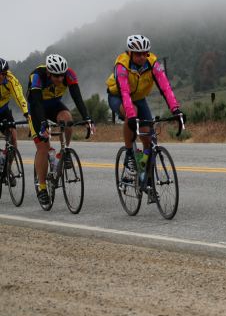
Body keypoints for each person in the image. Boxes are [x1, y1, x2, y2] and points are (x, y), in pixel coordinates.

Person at [106, 34, 183, 191]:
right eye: (138, 54)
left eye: (145, 53)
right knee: (131, 112)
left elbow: (165, 87)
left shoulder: (153, 63)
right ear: (130, 53)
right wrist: (132, 117)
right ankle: (129, 154)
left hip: (139, 98)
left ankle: (145, 179)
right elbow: (125, 93)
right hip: (118, 96)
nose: (142, 57)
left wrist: (175, 109)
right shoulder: (122, 65)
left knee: (148, 140)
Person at [27, 54, 95, 208]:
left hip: (54, 105)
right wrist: (43, 123)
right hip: (37, 109)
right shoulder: (37, 76)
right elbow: (36, 103)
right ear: (49, 73)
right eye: (56, 76)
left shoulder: (69, 74)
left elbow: (77, 97)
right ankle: (42, 187)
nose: (59, 79)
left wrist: (87, 118)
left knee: (67, 119)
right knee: (43, 147)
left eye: (62, 75)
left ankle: (64, 152)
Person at [0, 58, 29, 170]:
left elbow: (19, 96)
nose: (2, 76)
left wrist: (26, 113)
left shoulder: (11, 79)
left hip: (4, 110)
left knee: (13, 140)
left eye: (3, 73)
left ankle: (7, 169)